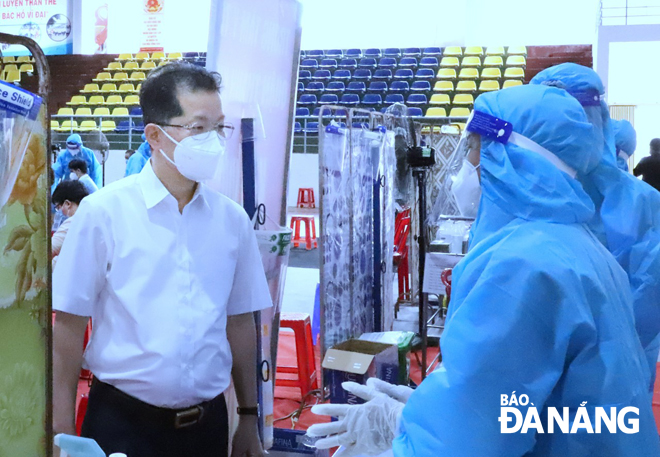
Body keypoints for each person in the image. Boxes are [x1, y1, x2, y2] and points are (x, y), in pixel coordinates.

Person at [308, 85, 660, 456]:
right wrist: (426, 414)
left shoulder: (522, 265)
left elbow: (475, 439)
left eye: (476, 147)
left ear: (514, 156)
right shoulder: (576, 245)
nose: (469, 163)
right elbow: (513, 399)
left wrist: (409, 441)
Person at [53, 62, 270, 457]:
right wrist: (61, 429)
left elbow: (240, 322)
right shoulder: (103, 213)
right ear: (155, 134)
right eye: (199, 128)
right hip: (121, 425)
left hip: (207, 429)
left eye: (219, 127)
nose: (214, 141)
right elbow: (68, 326)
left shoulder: (232, 220)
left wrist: (249, 418)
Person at [531, 64, 660, 389]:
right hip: (537, 369)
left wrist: (593, 352)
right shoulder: (530, 192)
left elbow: (649, 296)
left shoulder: (642, 202)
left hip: (616, 370)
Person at [51, 180, 89, 259]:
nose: (59, 212)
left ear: (67, 204)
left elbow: (50, 249)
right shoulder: (90, 217)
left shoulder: (72, 222)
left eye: (58, 207)